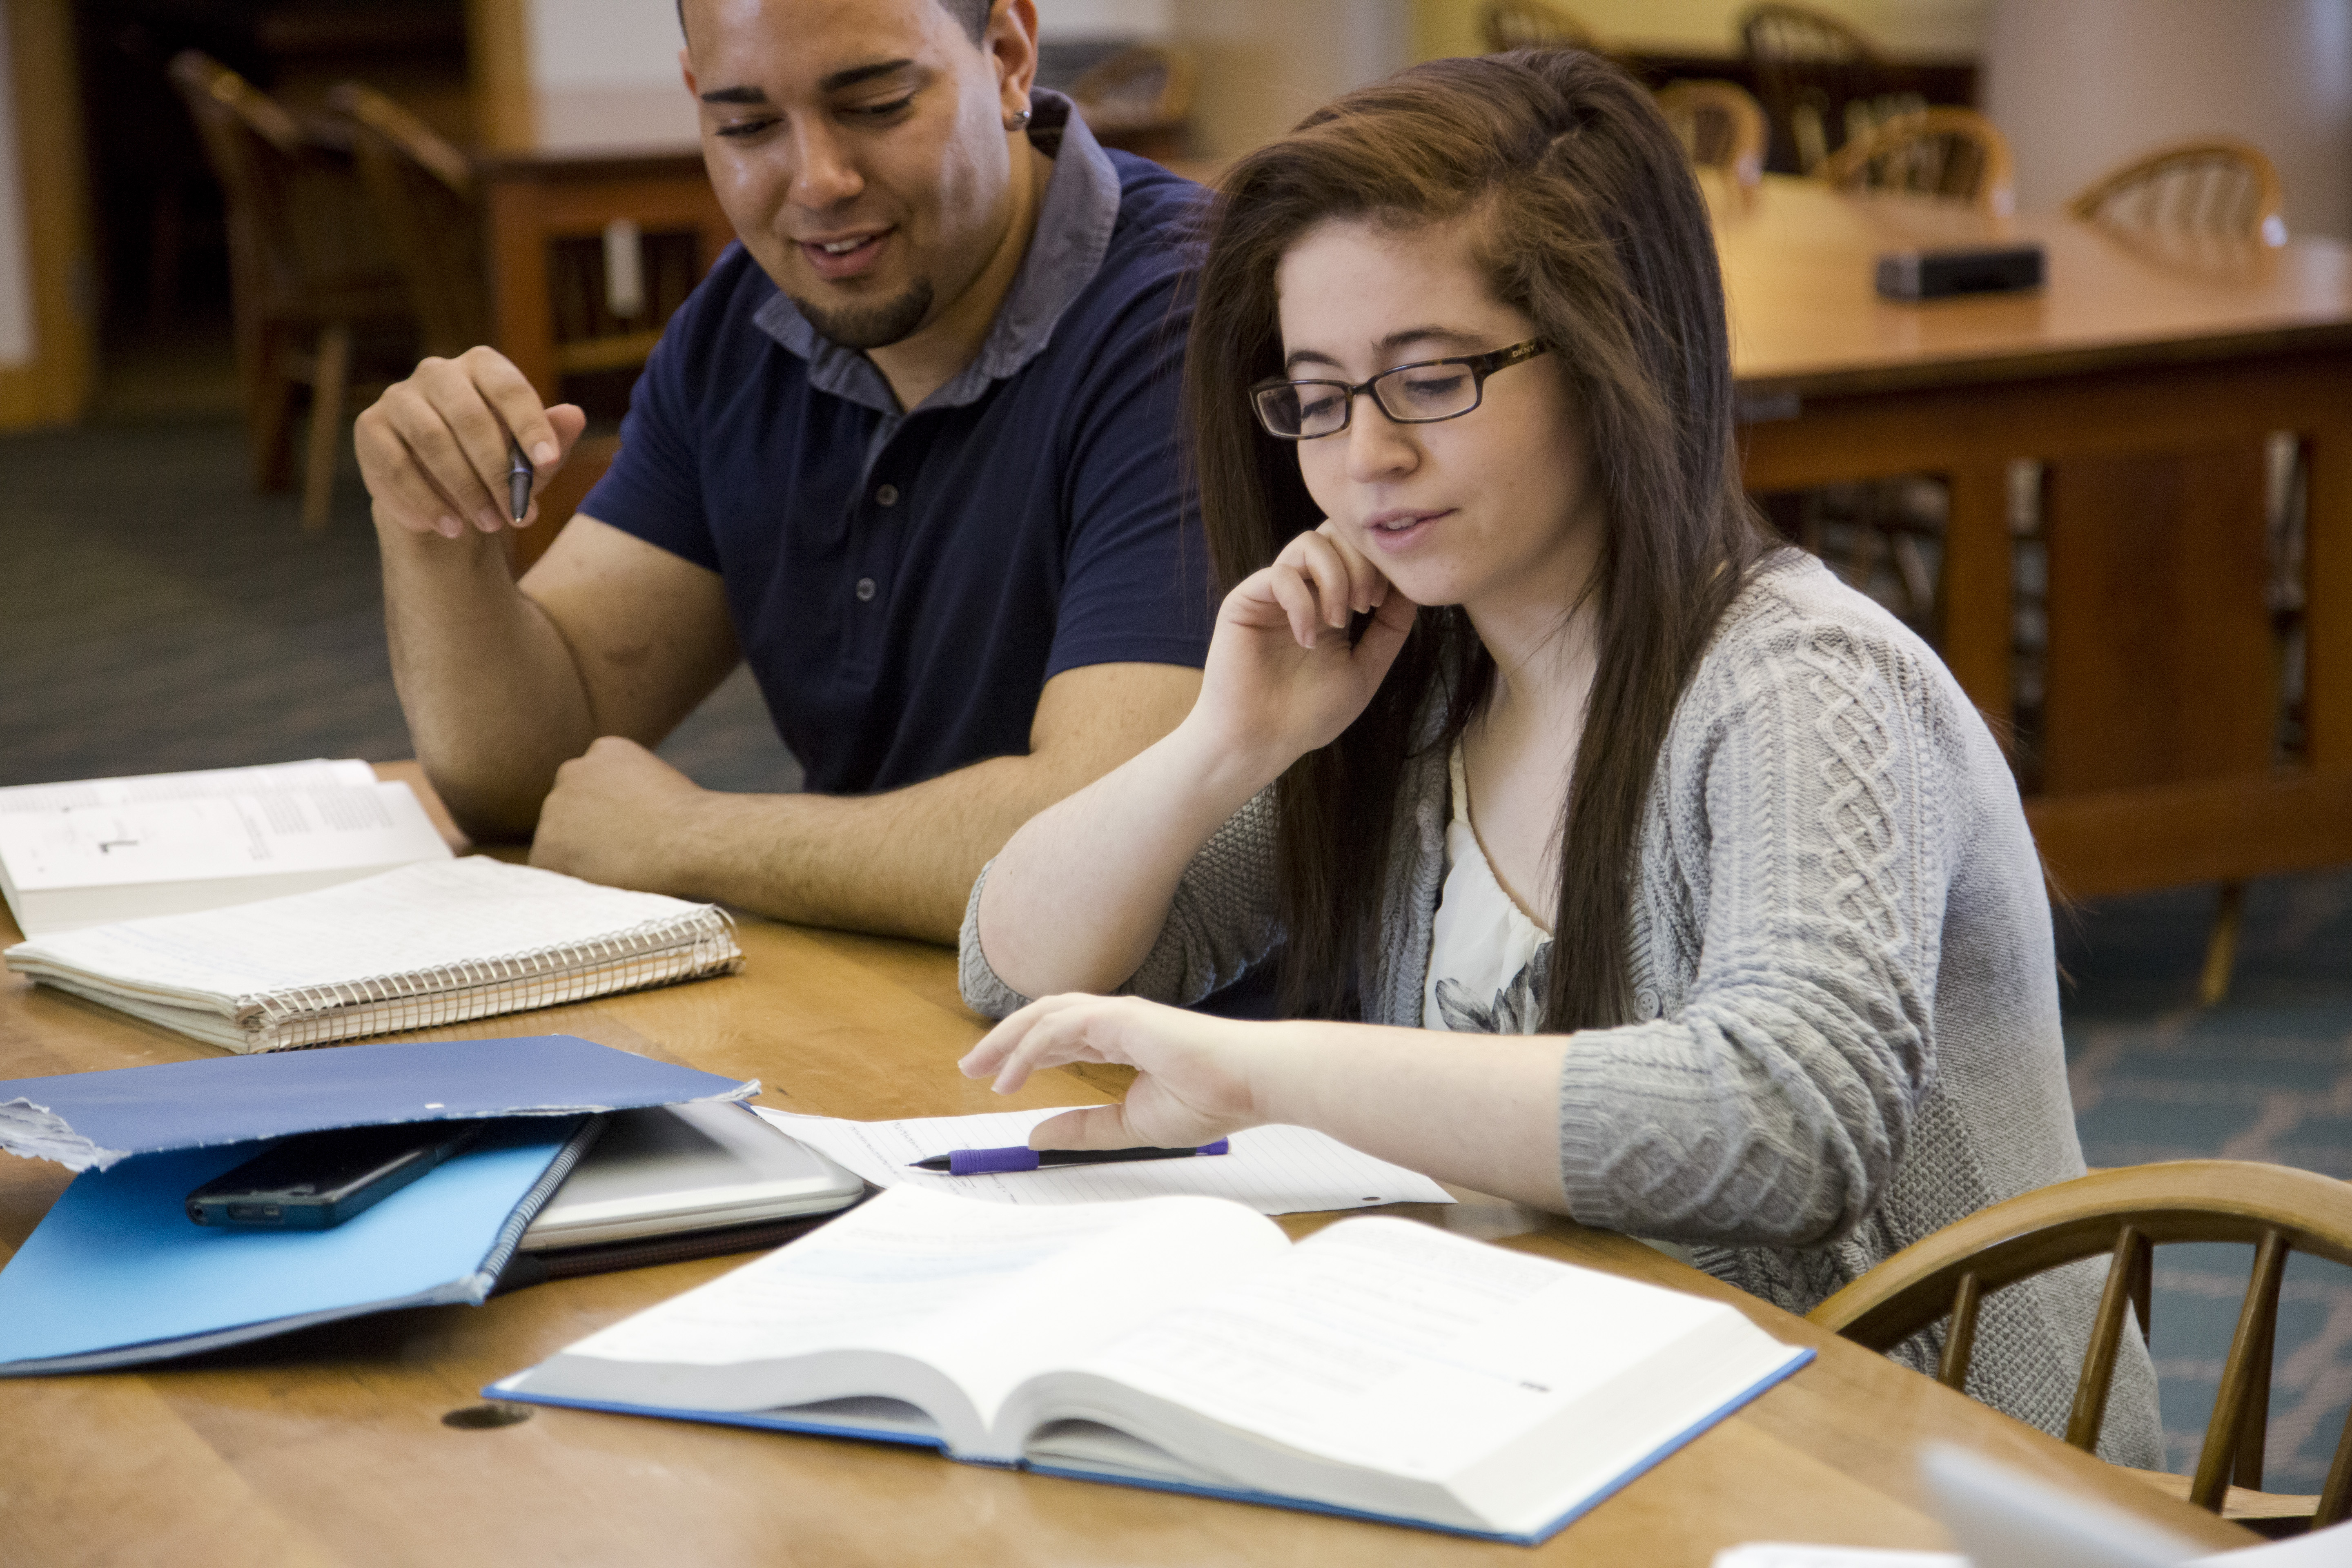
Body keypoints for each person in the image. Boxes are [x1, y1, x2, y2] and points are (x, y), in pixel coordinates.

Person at [955, 49, 2160, 1459]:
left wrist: (1268, 1068)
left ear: (1613, 353)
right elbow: (1019, 970)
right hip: (1583, 1422)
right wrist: (1224, 747)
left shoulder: (1805, 683)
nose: (1366, 458)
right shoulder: (1415, 681)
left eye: (1431, 379)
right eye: (1320, 396)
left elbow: (1782, 1119)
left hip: (1928, 1480)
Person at [354, 0, 1209, 943]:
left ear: (1007, 56)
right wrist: (432, 524)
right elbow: (523, 781)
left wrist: (692, 836)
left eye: (878, 105)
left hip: (1179, 1048)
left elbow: (1117, 841)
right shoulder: (743, 326)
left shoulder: (1191, 318)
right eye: (747, 126)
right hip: (886, 1009)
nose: (817, 182)